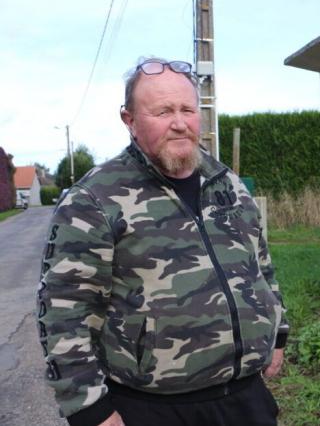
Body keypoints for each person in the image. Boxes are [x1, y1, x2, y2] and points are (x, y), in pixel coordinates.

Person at [37, 57, 288, 426]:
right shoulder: (94, 199)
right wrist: (90, 410)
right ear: (130, 120)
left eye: (188, 109)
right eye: (162, 111)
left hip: (244, 399)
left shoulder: (227, 184)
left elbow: (260, 266)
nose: (179, 123)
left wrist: (277, 332)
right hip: (152, 408)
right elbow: (63, 311)